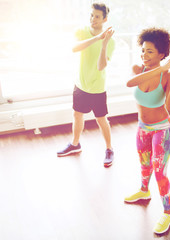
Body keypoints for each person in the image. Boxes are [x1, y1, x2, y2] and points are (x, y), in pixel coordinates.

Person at [124, 28, 170, 234]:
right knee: (144, 165)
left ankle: (167, 213)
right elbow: (129, 83)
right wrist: (160, 69)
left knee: (159, 171)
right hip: (143, 127)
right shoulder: (139, 69)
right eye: (143, 50)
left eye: (150, 51)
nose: (144, 55)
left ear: (162, 54)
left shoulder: (168, 75)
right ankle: (144, 192)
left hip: (163, 129)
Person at [57, 3, 116, 168]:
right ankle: (75, 145)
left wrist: (104, 44)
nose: (93, 19)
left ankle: (109, 149)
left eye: (97, 16)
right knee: (77, 115)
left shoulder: (111, 42)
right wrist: (97, 38)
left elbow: (101, 66)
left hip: (97, 87)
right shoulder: (82, 31)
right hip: (80, 84)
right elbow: (74, 48)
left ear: (105, 19)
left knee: (101, 119)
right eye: (91, 15)